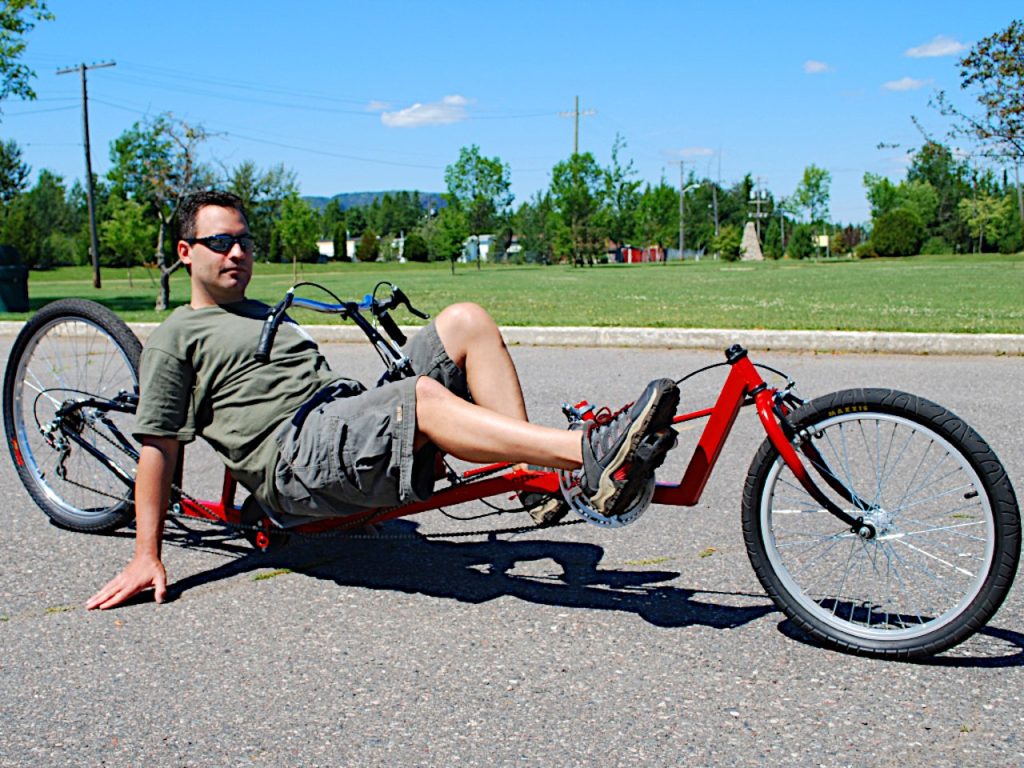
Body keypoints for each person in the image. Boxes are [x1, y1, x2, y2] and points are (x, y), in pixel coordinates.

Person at [87, 191, 679, 610]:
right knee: (416, 397)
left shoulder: (267, 312)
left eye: (243, 241)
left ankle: (531, 479)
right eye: (219, 242)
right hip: (294, 462)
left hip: (335, 421)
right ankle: (586, 453)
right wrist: (147, 554)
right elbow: (159, 446)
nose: (237, 252)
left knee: (465, 320)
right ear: (186, 251)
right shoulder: (176, 336)